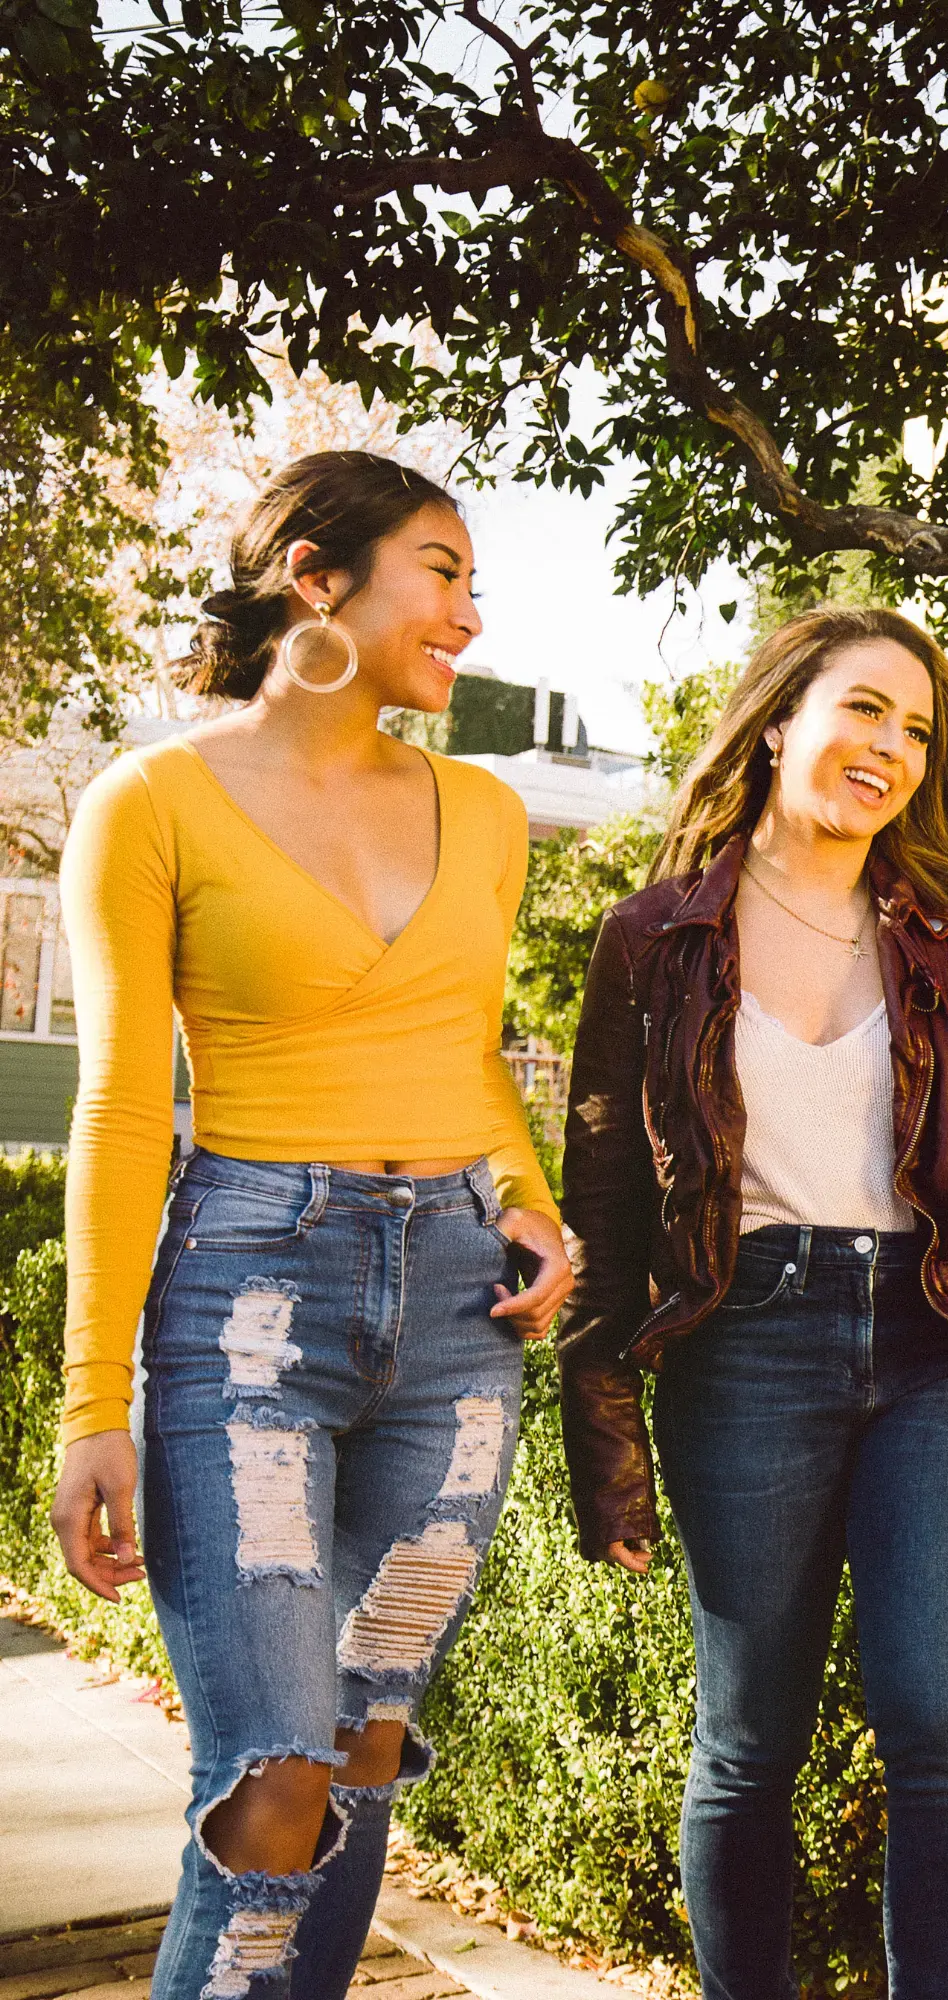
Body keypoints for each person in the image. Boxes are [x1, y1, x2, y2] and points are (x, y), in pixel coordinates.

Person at [49, 451, 572, 2000]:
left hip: (457, 1325)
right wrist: (93, 1410)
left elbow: (471, 1047)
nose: (471, 614)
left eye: (474, 580)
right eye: (442, 569)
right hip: (247, 1310)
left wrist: (531, 1204)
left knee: (360, 1753)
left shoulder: (484, 810)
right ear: (317, 580)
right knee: (274, 1782)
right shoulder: (146, 803)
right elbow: (125, 1111)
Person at [557, 605, 948, 1999]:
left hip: (932, 1348)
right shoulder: (654, 942)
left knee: (941, 1729)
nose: (894, 748)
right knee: (748, 1744)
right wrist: (603, 1445)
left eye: (918, 729)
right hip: (744, 1350)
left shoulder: (946, 944)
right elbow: (603, 1211)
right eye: (866, 710)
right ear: (782, 718)